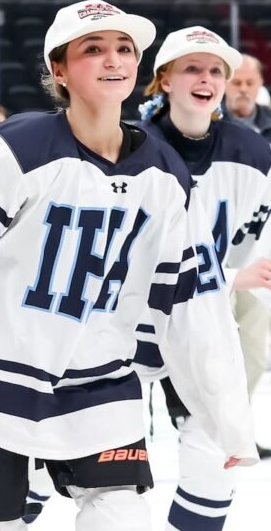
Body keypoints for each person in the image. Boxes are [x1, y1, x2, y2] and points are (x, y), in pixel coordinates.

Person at [0, 0, 257, 531]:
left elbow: (193, 300)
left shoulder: (164, 175)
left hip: (101, 385)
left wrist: (226, 416)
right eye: (93, 49)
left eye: (124, 49)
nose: (113, 59)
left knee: (124, 518)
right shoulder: (11, 148)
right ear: (59, 70)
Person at [130, 26, 271, 528]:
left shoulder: (253, 153)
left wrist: (234, 277)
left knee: (214, 460)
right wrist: (232, 275)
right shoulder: (128, 146)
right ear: (164, 79)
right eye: (192, 67)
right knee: (105, 476)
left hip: (200, 323)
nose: (206, 78)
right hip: (124, 328)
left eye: (216, 70)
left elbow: (256, 245)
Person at [222, 51, 271, 459]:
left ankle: (241, 429)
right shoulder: (204, 126)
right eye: (235, 82)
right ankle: (206, 428)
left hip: (259, 258)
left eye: (248, 83)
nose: (241, 90)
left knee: (253, 350)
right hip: (213, 257)